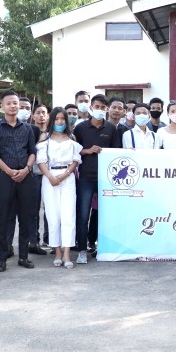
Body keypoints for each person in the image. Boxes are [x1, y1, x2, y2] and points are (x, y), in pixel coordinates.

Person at [0, 90, 38, 272]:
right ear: (2, 106)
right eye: (9, 103)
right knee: (3, 217)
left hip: (25, 177)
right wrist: (8, 171)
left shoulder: (28, 128)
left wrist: (26, 169)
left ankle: (23, 257)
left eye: (15, 103)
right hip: (5, 178)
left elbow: (33, 151)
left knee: (26, 217)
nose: (13, 106)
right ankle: (2, 258)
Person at [73, 94, 121, 264]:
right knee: (83, 215)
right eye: (97, 107)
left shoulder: (111, 129)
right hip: (86, 177)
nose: (100, 110)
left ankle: (102, 246)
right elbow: (73, 151)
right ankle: (81, 250)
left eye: (103, 107)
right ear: (91, 108)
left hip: (106, 179)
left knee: (104, 214)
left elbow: (116, 153)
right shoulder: (80, 128)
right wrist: (88, 150)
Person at [37, 108, 82, 269]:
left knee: (68, 215)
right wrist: (50, 176)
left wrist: (65, 175)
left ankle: (67, 253)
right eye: (57, 119)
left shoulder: (72, 138)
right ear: (52, 120)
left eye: (63, 119)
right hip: (49, 178)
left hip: (67, 178)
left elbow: (76, 160)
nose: (60, 122)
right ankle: (56, 251)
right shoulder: (45, 138)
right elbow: (41, 161)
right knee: (52, 215)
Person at [30, 104, 50, 251]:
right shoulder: (29, 131)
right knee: (34, 210)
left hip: (50, 176)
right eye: (38, 113)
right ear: (33, 116)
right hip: (34, 174)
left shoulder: (53, 132)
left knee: (49, 209)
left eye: (44, 113)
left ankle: (49, 239)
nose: (41, 115)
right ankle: (33, 241)